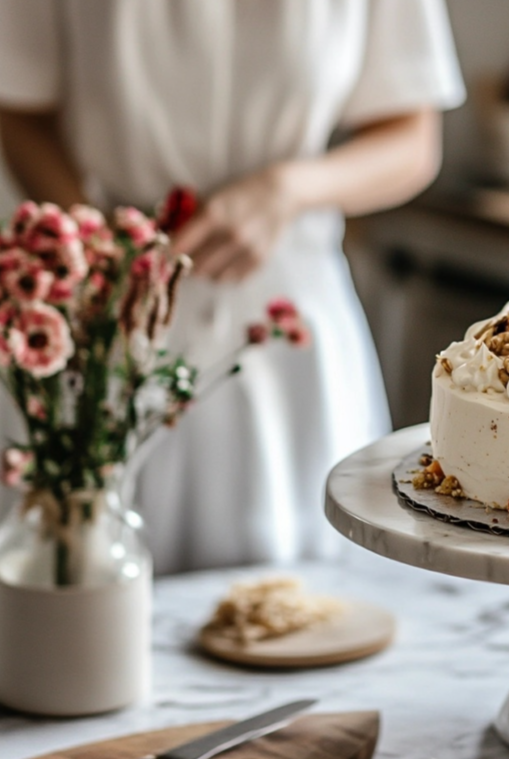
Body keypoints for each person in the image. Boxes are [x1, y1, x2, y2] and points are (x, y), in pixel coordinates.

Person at [0, 1, 465, 573]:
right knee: (95, 592)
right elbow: (21, 107)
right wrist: (101, 244)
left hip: (290, 318)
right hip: (118, 309)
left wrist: (286, 190)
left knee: (304, 607)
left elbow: (412, 139)